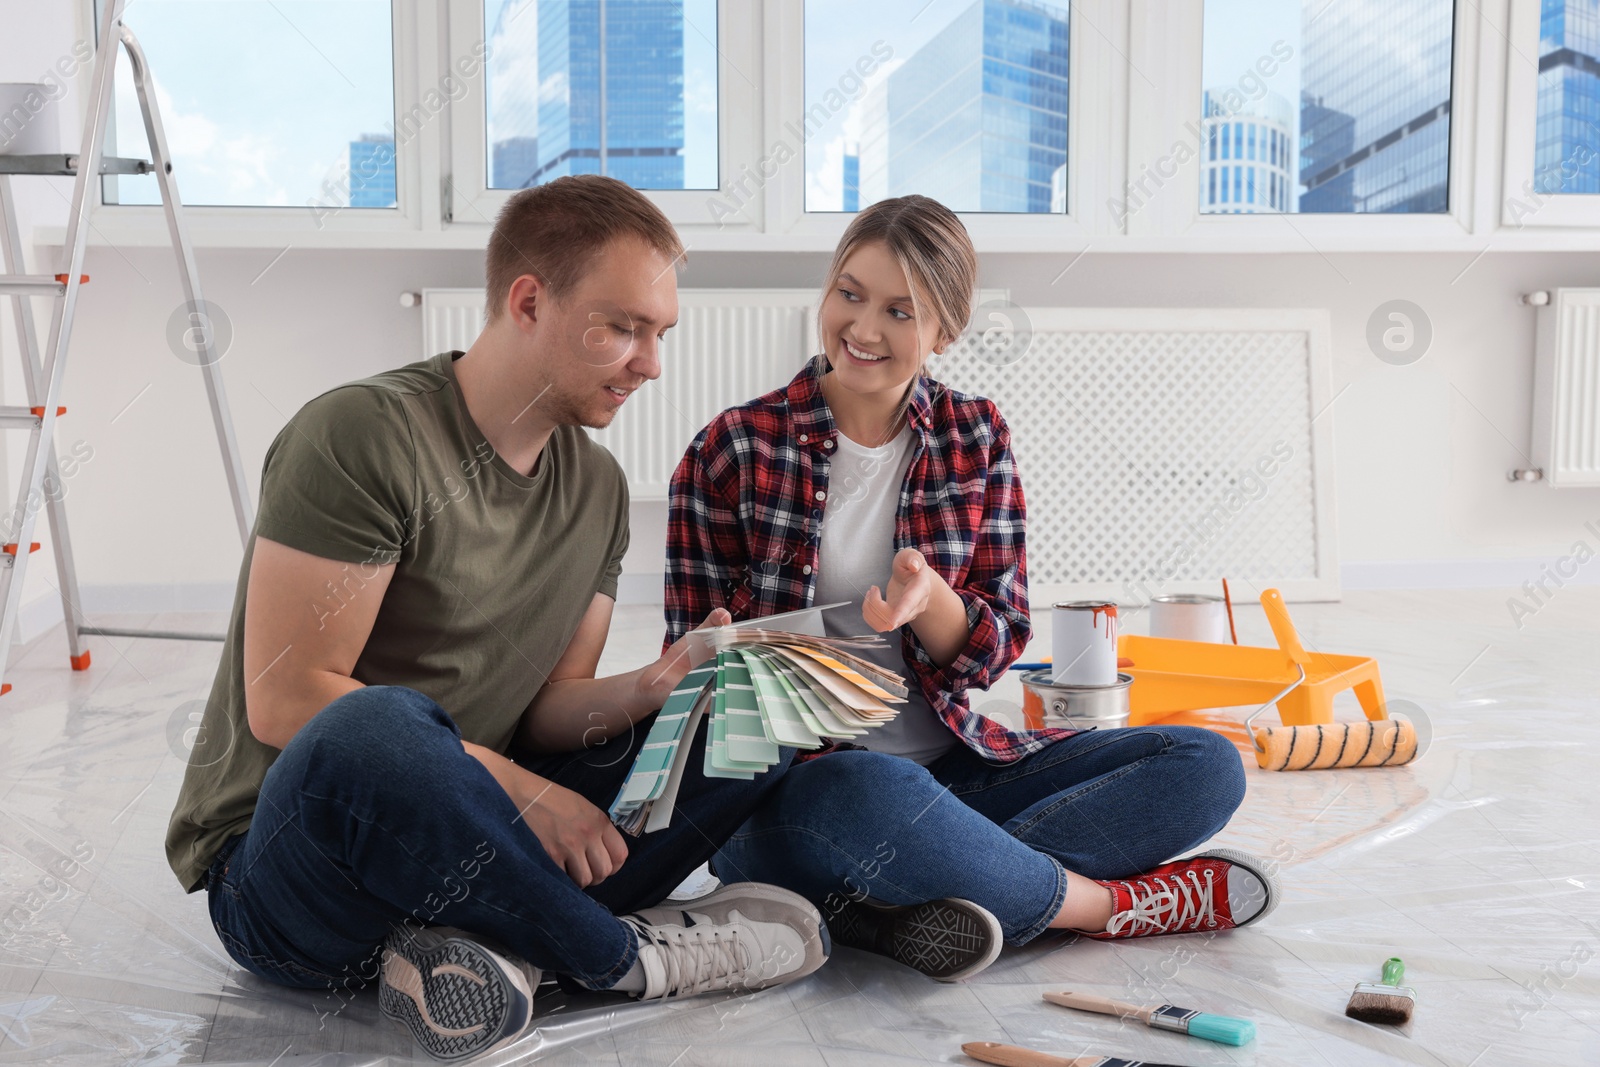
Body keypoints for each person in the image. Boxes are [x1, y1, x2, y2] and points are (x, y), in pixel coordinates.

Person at [165, 175, 828, 1063]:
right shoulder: (362, 434)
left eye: (660, 334)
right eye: (625, 327)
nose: (650, 363)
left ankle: (496, 952)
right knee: (376, 722)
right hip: (293, 871)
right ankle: (618, 956)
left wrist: (657, 684)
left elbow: (548, 708)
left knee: (761, 707)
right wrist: (523, 790)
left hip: (476, 841)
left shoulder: (594, 489)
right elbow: (285, 702)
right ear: (527, 301)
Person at [664, 195, 1278, 984]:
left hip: (953, 774)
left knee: (1205, 762)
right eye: (848, 293)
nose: (863, 327)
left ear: (945, 332)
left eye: (900, 310)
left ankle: (899, 897)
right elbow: (688, 684)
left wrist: (931, 603)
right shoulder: (733, 447)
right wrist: (736, 655)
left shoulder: (974, 435)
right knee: (863, 788)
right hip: (797, 795)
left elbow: (996, 647)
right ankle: (1105, 908)